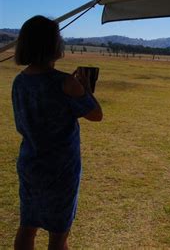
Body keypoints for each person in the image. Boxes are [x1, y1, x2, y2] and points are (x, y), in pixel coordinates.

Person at [11, 16, 103, 250]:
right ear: (51, 44)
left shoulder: (19, 82)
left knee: (27, 227)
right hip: (60, 171)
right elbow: (96, 114)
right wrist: (84, 89)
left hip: (30, 164)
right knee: (58, 236)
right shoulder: (65, 83)